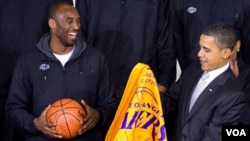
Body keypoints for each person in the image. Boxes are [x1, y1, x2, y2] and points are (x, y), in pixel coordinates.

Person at [5, 1, 117, 141]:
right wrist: (35, 124)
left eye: (78, 21)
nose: (76, 26)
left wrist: (98, 115)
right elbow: (14, 108)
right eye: (69, 21)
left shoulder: (96, 58)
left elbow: (111, 102)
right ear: (53, 24)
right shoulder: (28, 62)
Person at [74, 0, 176, 98]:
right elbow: (79, 38)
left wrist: (164, 83)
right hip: (98, 88)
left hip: (141, 91)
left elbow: (166, 41)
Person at [166, 23, 245, 141]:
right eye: (200, 47)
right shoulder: (192, 71)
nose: (199, 54)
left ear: (226, 53)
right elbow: (171, 101)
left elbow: (214, 137)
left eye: (206, 50)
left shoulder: (233, 94)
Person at [169, 0, 250, 72]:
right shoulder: (178, 2)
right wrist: (188, 70)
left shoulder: (243, 3)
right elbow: (177, 40)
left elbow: (246, 43)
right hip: (193, 71)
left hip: (230, 73)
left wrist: (241, 75)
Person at [229, 38, 250, 125]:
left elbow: (247, 118)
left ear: (237, 45)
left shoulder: (247, 75)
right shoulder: (194, 72)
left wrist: (233, 84)